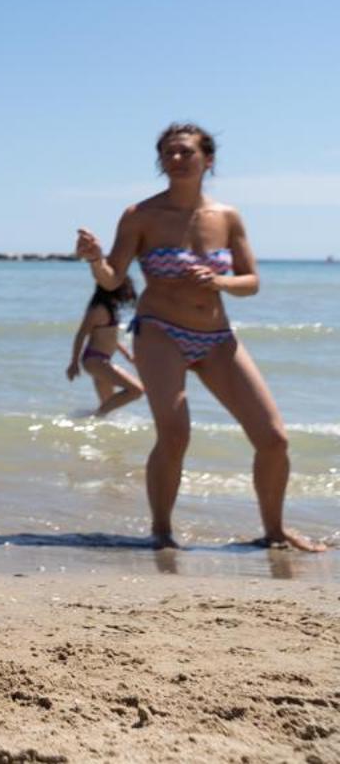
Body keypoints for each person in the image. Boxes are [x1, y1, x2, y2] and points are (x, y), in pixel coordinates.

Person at [74, 123, 325, 552]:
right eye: (168, 153)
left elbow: (252, 282)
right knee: (174, 434)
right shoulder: (141, 215)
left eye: (185, 151)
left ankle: (274, 531)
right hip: (160, 332)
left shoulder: (227, 217)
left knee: (274, 438)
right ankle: (162, 533)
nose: (175, 159)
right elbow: (114, 278)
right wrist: (96, 260)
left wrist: (219, 282)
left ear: (207, 159)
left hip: (216, 336)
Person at [65, 278, 144, 417]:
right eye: (125, 289)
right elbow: (81, 334)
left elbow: (110, 336)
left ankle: (85, 420)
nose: (127, 292)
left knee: (108, 406)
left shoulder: (110, 307)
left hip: (103, 360)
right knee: (136, 390)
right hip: (95, 360)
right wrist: (74, 363)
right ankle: (93, 417)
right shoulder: (98, 309)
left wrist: (126, 354)